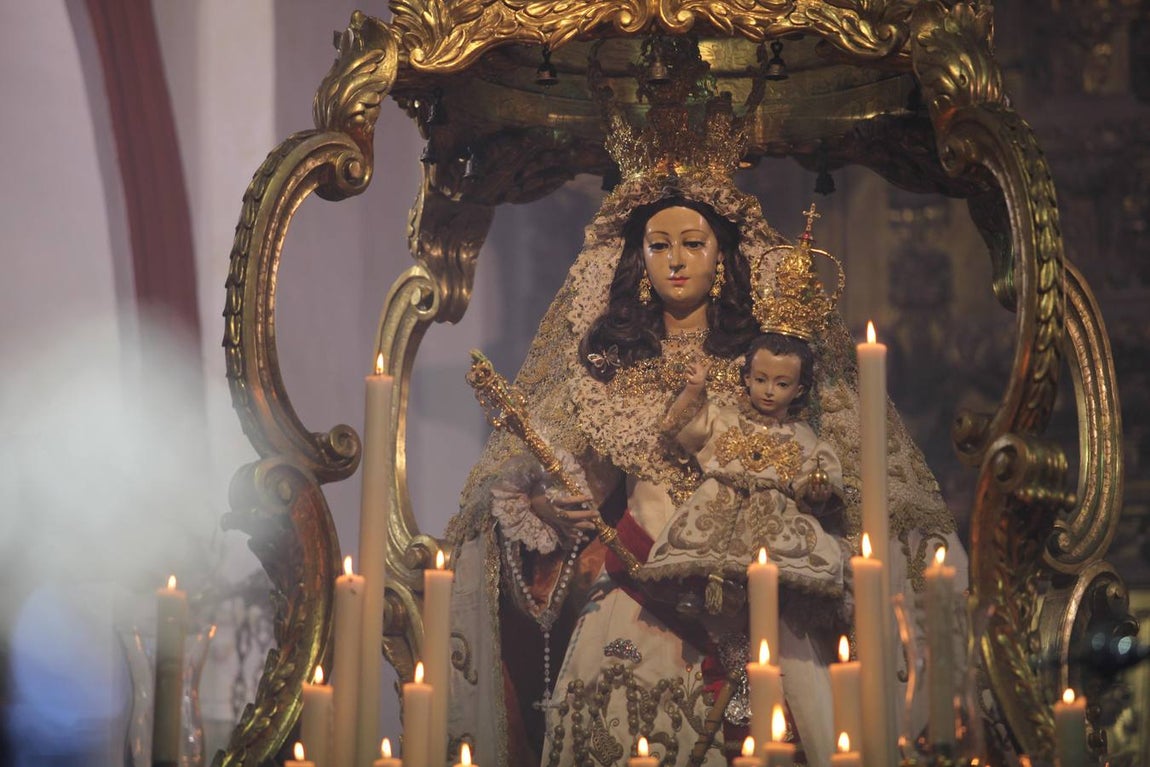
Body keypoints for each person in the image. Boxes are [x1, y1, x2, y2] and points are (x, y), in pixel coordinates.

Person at [444, 47, 966, 767]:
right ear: (638, 258)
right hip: (637, 594)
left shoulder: (767, 362)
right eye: (659, 245)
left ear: (723, 253)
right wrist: (546, 507)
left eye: (694, 242)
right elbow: (571, 489)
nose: (677, 260)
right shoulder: (607, 365)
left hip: (758, 598)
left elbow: (846, 470)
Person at [641, 332, 847, 621]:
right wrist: (693, 390)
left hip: (772, 515)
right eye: (761, 379)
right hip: (717, 501)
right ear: (747, 378)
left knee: (785, 554)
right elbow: (680, 426)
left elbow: (815, 479)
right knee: (698, 542)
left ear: (799, 390)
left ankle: (763, 598)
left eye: (782, 383)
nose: (769, 391)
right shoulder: (724, 418)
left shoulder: (804, 438)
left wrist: (817, 487)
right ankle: (694, 587)